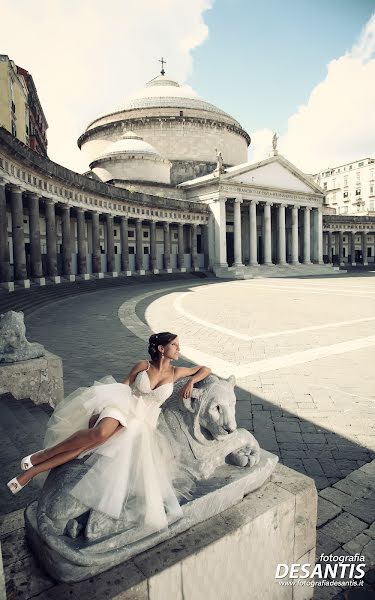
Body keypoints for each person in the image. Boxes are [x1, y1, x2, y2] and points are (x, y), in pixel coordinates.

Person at [7, 333, 211, 532]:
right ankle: (40, 456)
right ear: (161, 348)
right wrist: (101, 408)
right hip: (122, 406)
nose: (178, 348)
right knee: (100, 434)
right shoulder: (143, 366)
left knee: (85, 448)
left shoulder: (176, 373)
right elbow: (122, 386)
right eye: (175, 345)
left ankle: (32, 472)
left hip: (142, 421)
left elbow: (205, 369)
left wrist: (191, 382)